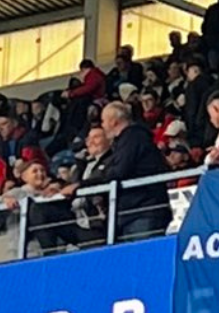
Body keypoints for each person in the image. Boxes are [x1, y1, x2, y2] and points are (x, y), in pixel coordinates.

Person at [66, 102, 170, 241]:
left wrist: (82, 185)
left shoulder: (133, 137)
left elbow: (118, 172)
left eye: (103, 121)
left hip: (142, 211)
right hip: (134, 213)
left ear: (113, 121)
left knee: (142, 258)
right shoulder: (127, 140)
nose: (102, 125)